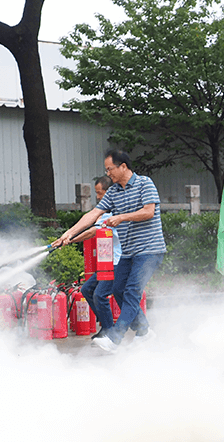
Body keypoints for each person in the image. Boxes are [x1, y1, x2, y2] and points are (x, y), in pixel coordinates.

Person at [55, 150, 166, 352]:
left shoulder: (145, 183)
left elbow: (148, 211)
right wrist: (68, 233)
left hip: (150, 250)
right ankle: (144, 331)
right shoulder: (114, 191)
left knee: (132, 290)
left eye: (110, 169)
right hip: (128, 252)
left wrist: (122, 217)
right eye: (106, 170)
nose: (108, 173)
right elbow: (94, 214)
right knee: (117, 289)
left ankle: (115, 338)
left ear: (123, 166)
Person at [71, 176, 122, 339]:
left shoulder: (115, 212)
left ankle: (109, 330)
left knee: (100, 295)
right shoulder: (104, 213)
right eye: (97, 193)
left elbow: (93, 231)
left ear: (109, 192)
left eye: (100, 193)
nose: (98, 197)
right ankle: (107, 326)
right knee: (87, 289)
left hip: (118, 263)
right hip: (107, 263)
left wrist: (70, 239)